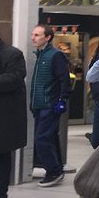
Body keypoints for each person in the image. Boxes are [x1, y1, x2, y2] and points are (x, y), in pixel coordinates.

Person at [29, 24, 70, 187]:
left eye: (37, 35)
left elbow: (64, 79)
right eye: (33, 34)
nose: (33, 37)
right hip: (39, 105)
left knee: (42, 138)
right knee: (49, 137)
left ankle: (53, 170)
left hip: (49, 105)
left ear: (48, 37)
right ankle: (56, 169)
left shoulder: (55, 55)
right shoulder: (40, 56)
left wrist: (62, 99)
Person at [0, 28, 27, 198]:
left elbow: (13, 78)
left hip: (3, 117)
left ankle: (0, 193)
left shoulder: (13, 55)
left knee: (0, 156)